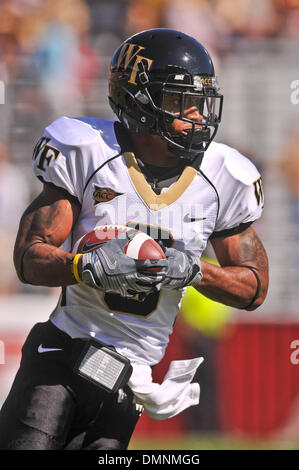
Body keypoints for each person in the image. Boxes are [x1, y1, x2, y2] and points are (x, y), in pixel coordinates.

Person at [0, 28, 269, 450]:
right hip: (62, 353)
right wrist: (83, 266)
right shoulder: (86, 149)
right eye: (182, 101)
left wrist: (196, 272)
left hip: (129, 378)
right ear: (140, 99)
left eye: (201, 101)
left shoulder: (225, 176)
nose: (198, 114)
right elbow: (28, 258)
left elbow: (254, 287)